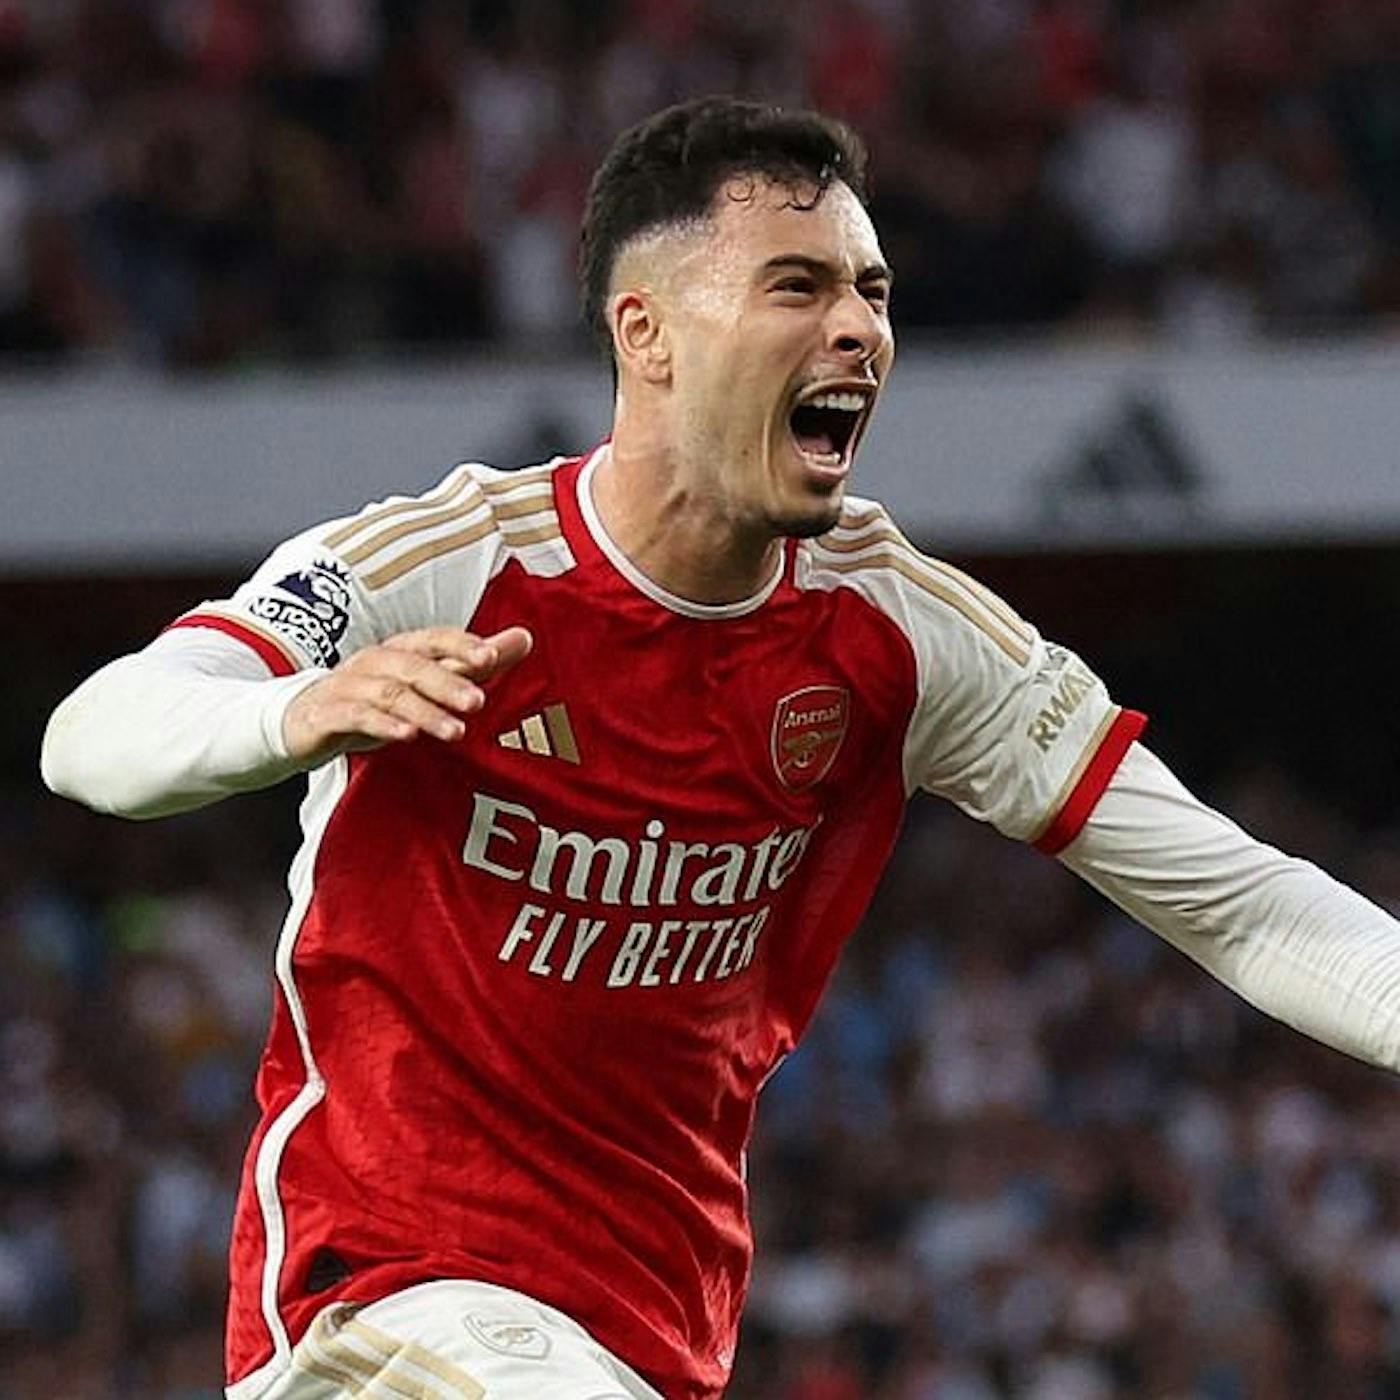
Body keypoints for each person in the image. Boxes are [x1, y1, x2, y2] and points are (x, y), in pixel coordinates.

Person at [40, 97, 1400, 1400]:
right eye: (798, 287)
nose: (858, 328)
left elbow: (1240, 902)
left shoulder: (903, 633)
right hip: (377, 1299)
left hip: (649, 1322)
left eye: (872, 292)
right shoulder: (444, 566)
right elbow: (92, 736)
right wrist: (293, 714)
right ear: (647, 332)